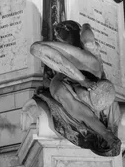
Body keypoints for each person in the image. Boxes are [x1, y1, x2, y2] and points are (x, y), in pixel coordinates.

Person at [30, 21, 121, 154]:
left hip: (77, 82)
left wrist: (82, 80)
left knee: (59, 90)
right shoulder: (91, 61)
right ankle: (107, 135)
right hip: (84, 80)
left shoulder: (61, 87)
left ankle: (107, 135)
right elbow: (88, 38)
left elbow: (36, 48)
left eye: (57, 37)